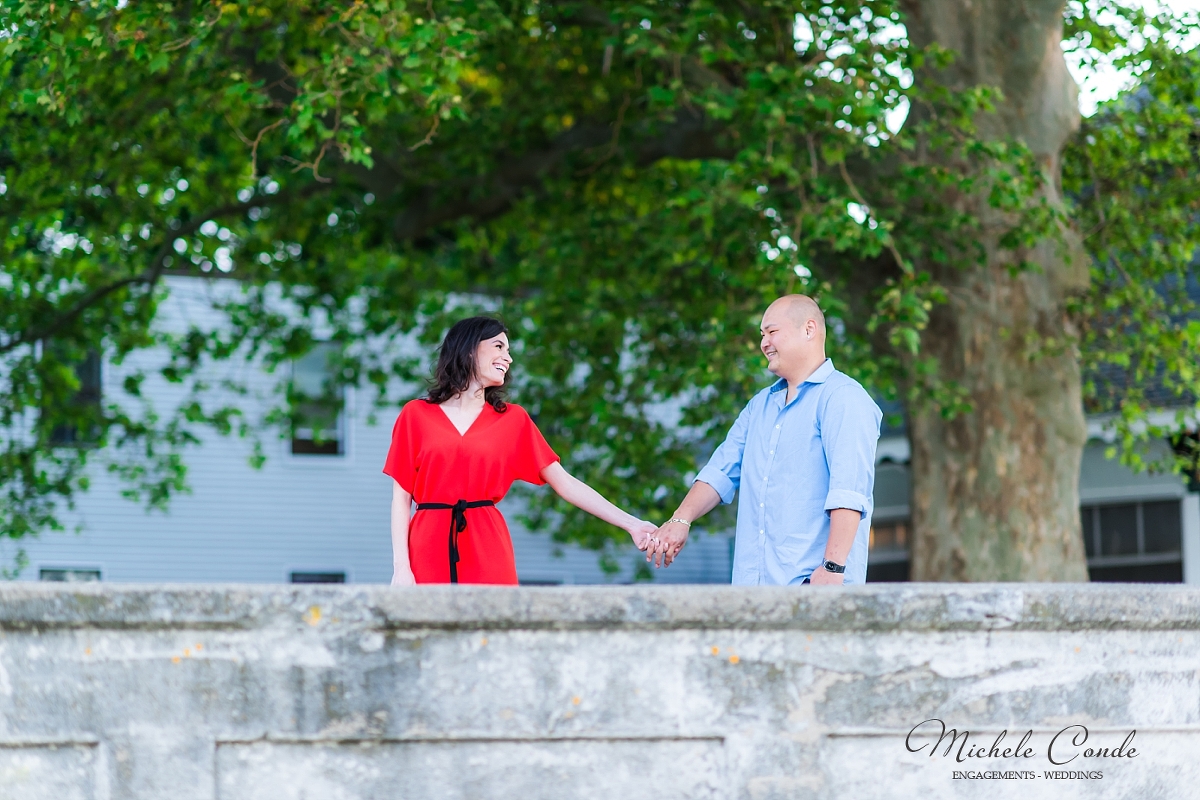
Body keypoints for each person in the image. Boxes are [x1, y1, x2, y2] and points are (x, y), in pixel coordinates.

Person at [384, 316, 656, 585]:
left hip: (487, 544)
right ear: (469, 348)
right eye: (499, 346)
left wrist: (632, 524)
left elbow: (566, 484)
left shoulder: (512, 420)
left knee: (494, 625)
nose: (509, 357)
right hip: (427, 543)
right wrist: (401, 567)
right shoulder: (416, 415)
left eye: (509, 350)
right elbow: (400, 499)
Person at [645, 295, 882, 585]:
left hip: (813, 590)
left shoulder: (844, 398)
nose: (764, 343)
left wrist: (832, 568)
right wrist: (680, 520)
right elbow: (721, 470)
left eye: (772, 332)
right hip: (752, 594)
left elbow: (849, 491)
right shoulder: (759, 406)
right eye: (762, 335)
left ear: (808, 330)